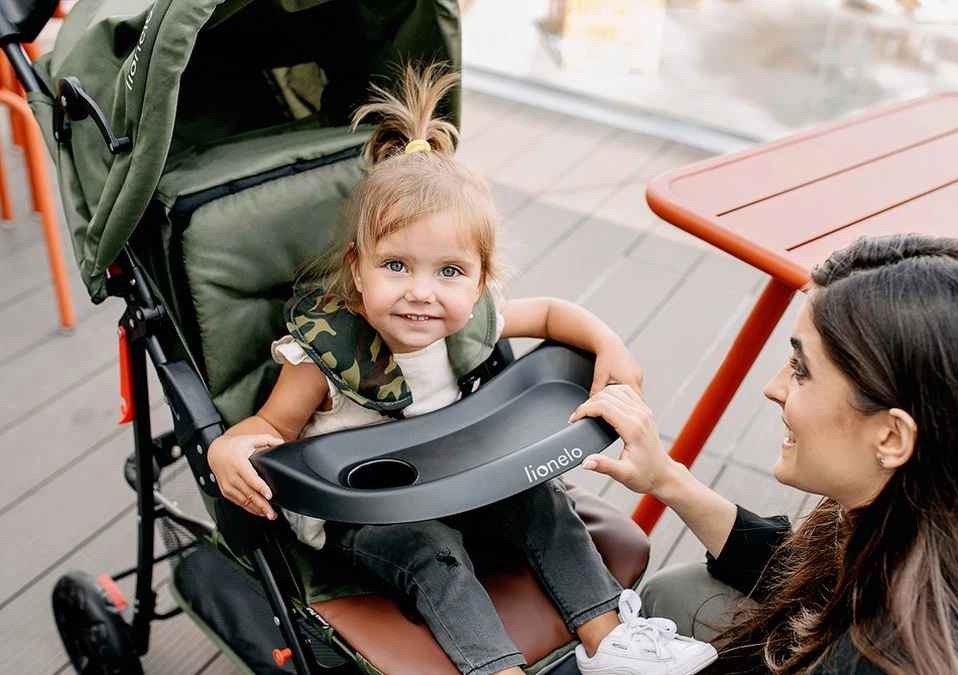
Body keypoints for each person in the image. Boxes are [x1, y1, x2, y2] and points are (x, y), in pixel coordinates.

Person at [207, 66, 717, 675]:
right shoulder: (323, 356)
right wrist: (227, 449)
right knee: (434, 551)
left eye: (449, 272)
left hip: (462, 479)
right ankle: (496, 669)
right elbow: (270, 428)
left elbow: (552, 314)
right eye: (396, 266)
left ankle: (609, 642)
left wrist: (609, 346)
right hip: (368, 515)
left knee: (543, 503)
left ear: (479, 283)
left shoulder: (468, 322)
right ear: (357, 267)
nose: (421, 293)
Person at [571, 235, 958, 674]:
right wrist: (666, 478)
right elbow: (802, 575)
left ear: (892, 437)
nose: (773, 387)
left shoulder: (882, 655)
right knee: (676, 588)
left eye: (801, 370)